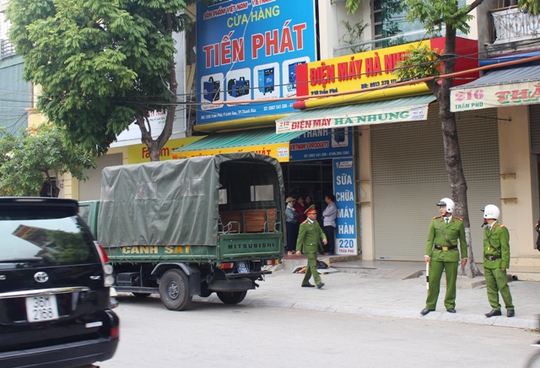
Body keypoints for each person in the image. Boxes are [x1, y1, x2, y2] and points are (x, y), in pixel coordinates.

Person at [421, 197, 468, 316]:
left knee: (451, 281)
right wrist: (427, 254)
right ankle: (430, 305)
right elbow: (430, 239)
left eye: (442, 207)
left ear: (449, 208)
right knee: (433, 280)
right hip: (437, 254)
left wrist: (464, 256)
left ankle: (450, 304)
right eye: (440, 207)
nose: (440, 210)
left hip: (452, 255)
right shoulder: (435, 221)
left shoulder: (458, 223)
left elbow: (462, 241)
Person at [482, 204, 515, 318]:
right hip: (488, 263)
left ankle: (510, 307)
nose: (483, 216)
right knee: (490, 287)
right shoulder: (486, 229)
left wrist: (504, 264)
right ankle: (495, 308)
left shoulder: (501, 229)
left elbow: (505, 248)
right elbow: (485, 247)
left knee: (502, 286)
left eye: (484, 213)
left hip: (498, 262)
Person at [296, 205, 327, 289]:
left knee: (310, 265)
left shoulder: (316, 223)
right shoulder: (304, 225)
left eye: (315, 213)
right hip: (308, 248)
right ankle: (318, 281)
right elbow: (300, 238)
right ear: (308, 215)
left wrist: (324, 238)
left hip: (315, 247)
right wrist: (298, 249)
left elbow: (321, 232)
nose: (315, 215)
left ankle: (305, 282)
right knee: (313, 264)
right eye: (313, 214)